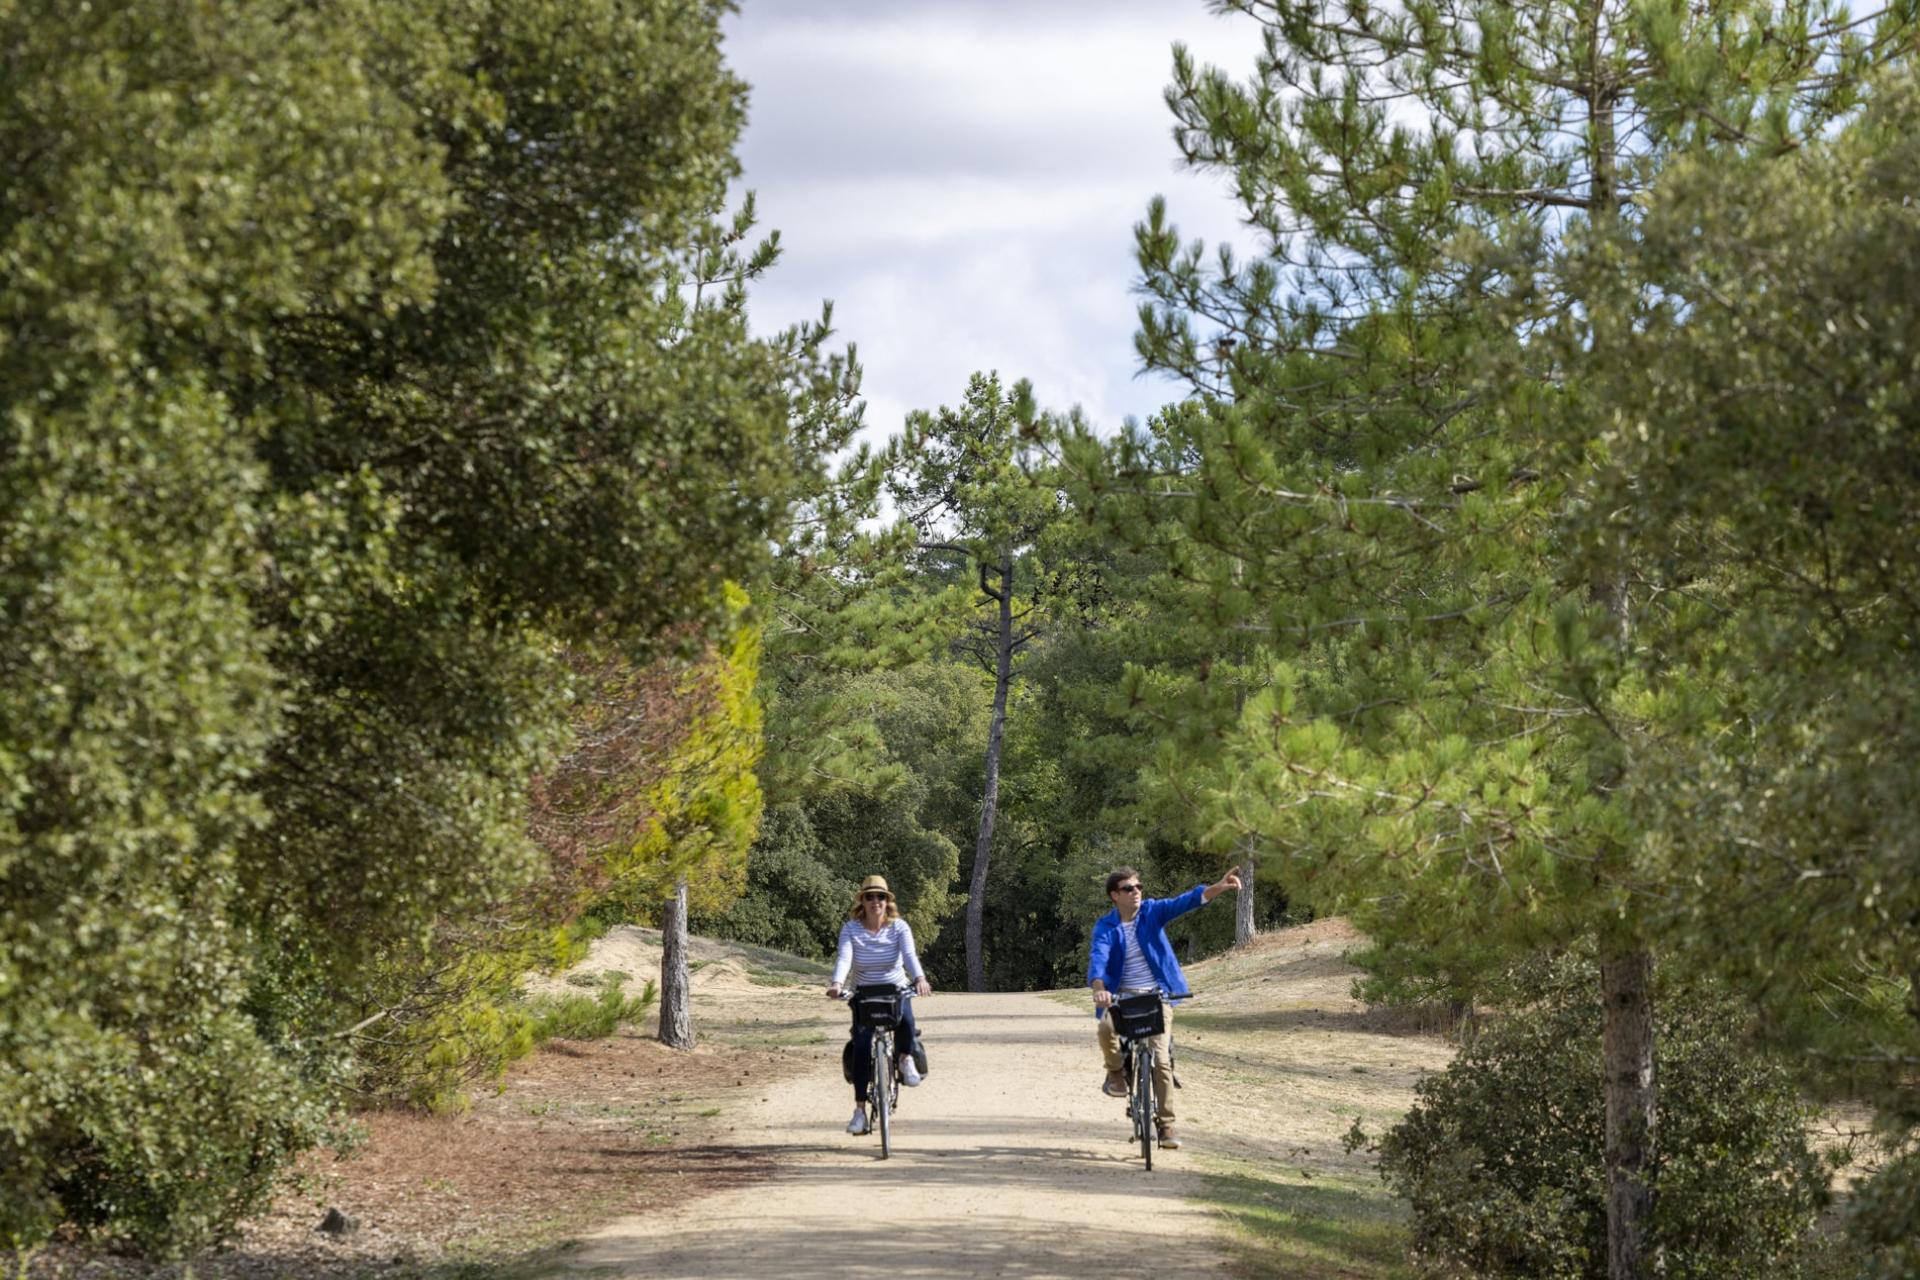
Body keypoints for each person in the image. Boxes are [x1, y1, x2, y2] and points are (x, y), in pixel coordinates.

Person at [1086, 865, 1241, 1150]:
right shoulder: (1106, 927)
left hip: (1159, 996)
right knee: (1105, 1028)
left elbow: (1185, 902)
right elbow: (1099, 957)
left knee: (1161, 1060)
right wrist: (1099, 989)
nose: (1136, 893)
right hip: (1121, 998)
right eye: (1128, 889)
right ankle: (1117, 1073)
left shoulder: (1153, 912)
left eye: (1139, 887)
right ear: (1114, 896)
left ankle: (1167, 1125)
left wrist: (1217, 887)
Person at [825, 874, 932, 1136]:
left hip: (895, 988)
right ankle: (860, 1110)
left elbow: (908, 955)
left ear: (887, 901)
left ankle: (905, 1058)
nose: (876, 902)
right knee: (861, 1045)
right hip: (864, 992)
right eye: (870, 897)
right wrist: (837, 983)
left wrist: (919, 978)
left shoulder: (899, 927)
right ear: (862, 901)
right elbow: (845, 957)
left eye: (880, 897)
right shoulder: (851, 928)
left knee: (907, 1021)